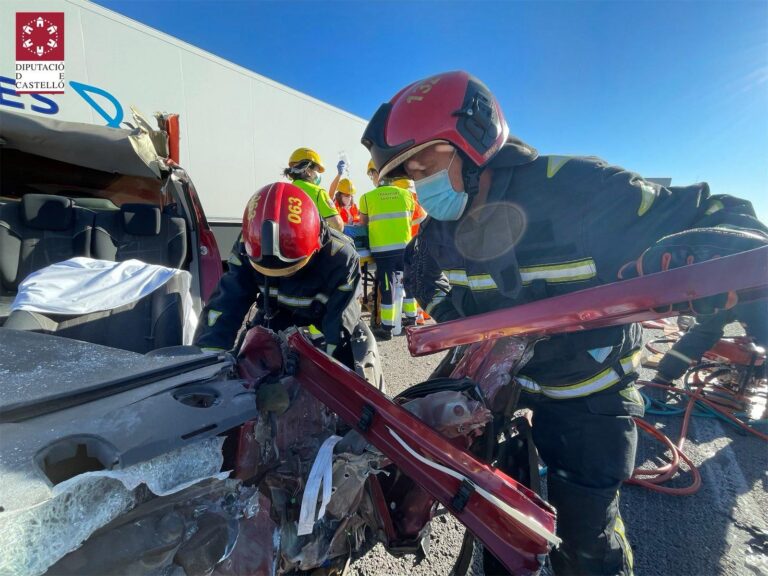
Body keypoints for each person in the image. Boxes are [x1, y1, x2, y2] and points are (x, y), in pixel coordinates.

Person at [361, 70, 768, 575]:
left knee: (588, 540)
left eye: (430, 162)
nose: (422, 182)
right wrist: (458, 317)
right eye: (411, 172)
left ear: (476, 141)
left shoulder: (576, 189)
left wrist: (724, 247)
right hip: (505, 381)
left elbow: (716, 213)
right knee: (498, 520)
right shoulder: (442, 227)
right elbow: (424, 274)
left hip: (589, 390)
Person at [194, 182, 361, 362]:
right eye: (270, 273)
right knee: (249, 358)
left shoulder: (340, 257)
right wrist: (207, 363)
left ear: (316, 246)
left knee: (350, 350)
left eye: (291, 271)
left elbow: (339, 324)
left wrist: (334, 372)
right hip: (275, 313)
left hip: (324, 318)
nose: (283, 277)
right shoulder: (247, 245)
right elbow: (226, 304)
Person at [358, 175, 418, 340]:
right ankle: (412, 320)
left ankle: (387, 328)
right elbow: (411, 216)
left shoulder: (366, 197)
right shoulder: (406, 194)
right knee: (408, 283)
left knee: (387, 287)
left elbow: (363, 223)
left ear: (378, 183)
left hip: (383, 251)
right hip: (405, 247)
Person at [654, 301, 768, 385]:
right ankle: (757, 377)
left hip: (726, 288)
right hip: (754, 291)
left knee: (703, 331)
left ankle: (664, 376)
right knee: (763, 340)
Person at [283, 147, 344, 231]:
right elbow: (338, 226)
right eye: (317, 171)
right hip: (311, 242)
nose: (318, 175)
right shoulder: (318, 192)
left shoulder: (285, 191)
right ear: (308, 170)